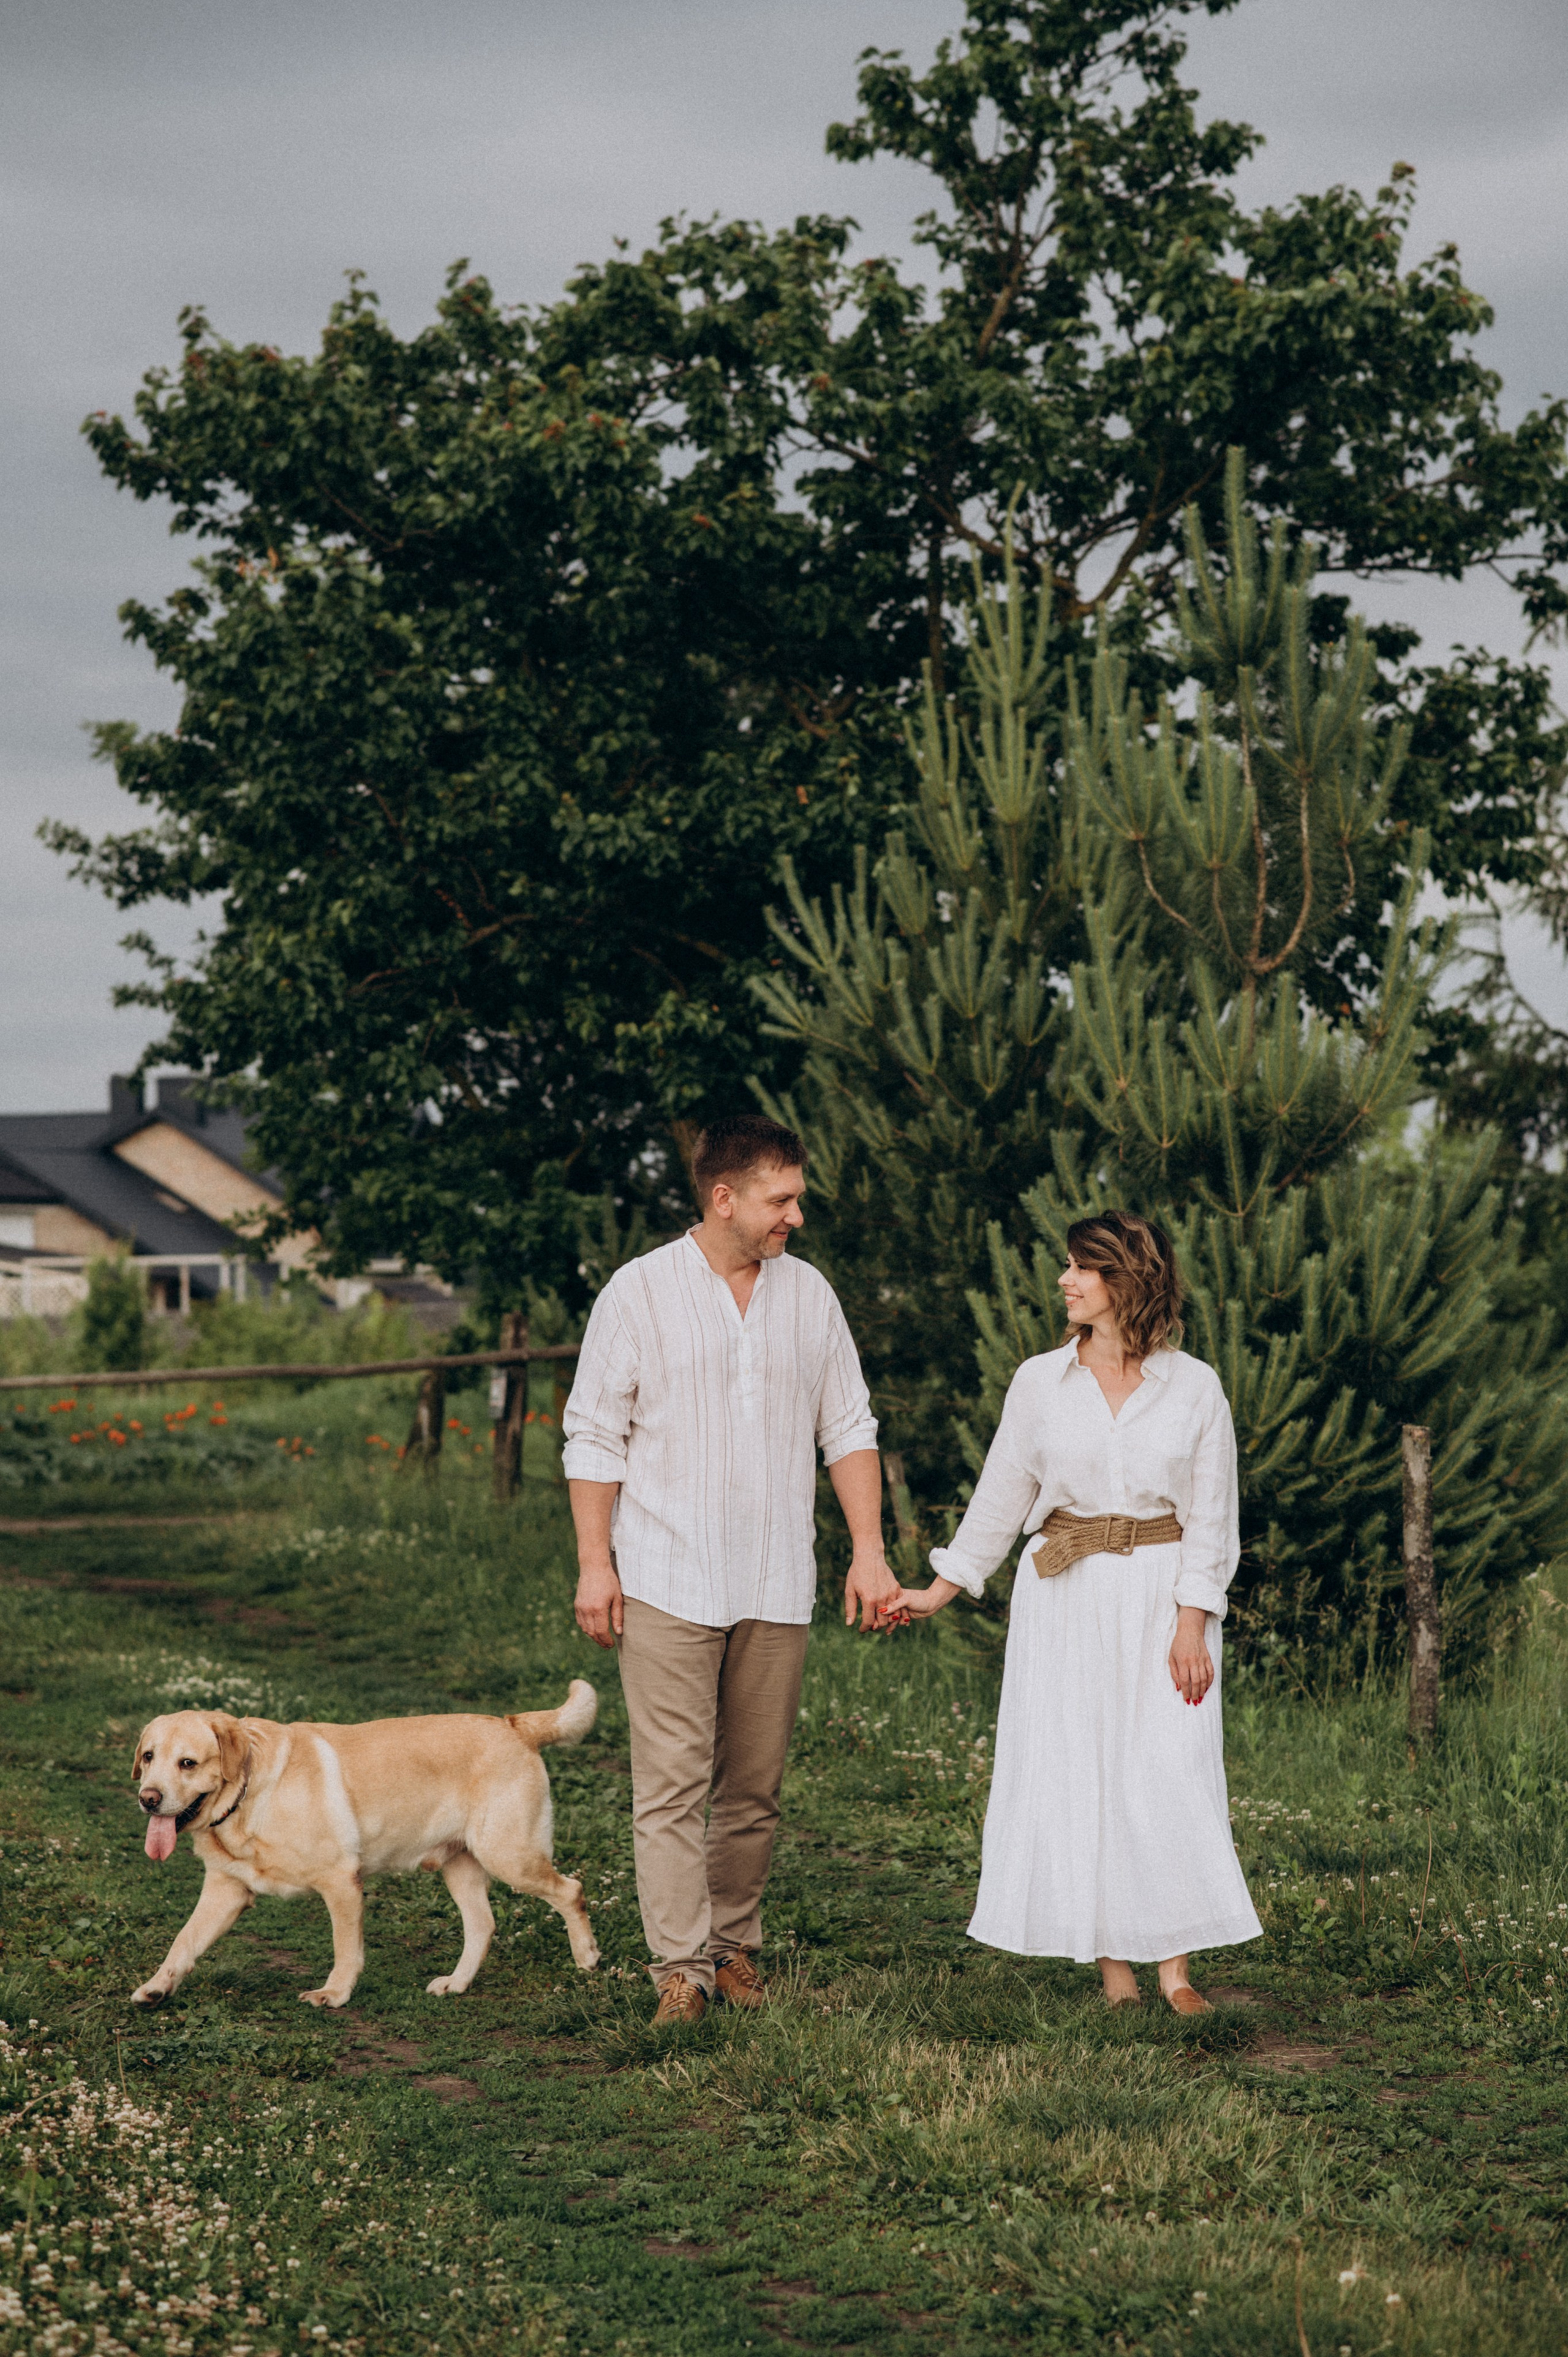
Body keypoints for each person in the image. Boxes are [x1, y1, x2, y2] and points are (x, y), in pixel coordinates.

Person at [562, 1114, 902, 2026]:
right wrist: (598, 1566)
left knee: (753, 1788)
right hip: (667, 1574)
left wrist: (868, 1551)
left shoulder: (810, 1296)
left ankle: (734, 1949)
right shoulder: (638, 1294)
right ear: (725, 1199)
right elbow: (594, 1435)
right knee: (671, 1784)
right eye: (781, 1198)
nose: (796, 1214)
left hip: (776, 1579)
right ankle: (681, 1969)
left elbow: (850, 1427)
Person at [881, 1209, 1261, 2010]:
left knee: (1167, 1768)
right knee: (1081, 1772)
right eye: (1067, 1265)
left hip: (1160, 1600)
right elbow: (1000, 1498)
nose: (1065, 1280)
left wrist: (1194, 1619)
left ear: (1129, 1279)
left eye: (1082, 1267)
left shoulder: (1193, 1387)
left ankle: (1175, 1969)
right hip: (1065, 1596)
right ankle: (1115, 1972)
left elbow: (1214, 1514)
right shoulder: (1039, 1384)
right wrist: (940, 1587)